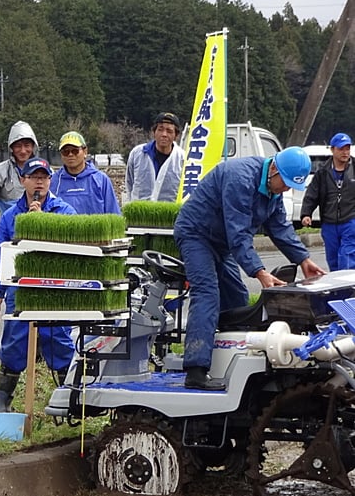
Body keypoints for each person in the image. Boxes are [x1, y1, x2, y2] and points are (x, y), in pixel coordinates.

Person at [174, 146, 325, 390]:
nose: (286, 189)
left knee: (238, 297)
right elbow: (239, 234)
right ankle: (196, 369)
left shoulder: (272, 189)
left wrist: (303, 259)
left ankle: (232, 358)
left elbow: (279, 226)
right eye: (285, 183)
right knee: (207, 293)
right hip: (196, 234)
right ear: (274, 168)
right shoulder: (241, 178)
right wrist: (259, 272)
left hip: (221, 241)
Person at [0, 158, 77, 413]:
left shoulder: (64, 211)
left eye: (44, 176)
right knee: (15, 342)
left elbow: (71, 252)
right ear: (23, 180)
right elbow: (1, 255)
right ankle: (2, 401)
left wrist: (42, 223)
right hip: (21, 289)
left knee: (58, 340)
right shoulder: (10, 217)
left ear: (50, 180)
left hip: (53, 288)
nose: (39, 181)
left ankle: (70, 399)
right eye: (34, 176)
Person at [300, 132, 355, 271]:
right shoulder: (322, 172)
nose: (345, 152)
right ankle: (339, 292)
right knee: (333, 260)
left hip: (350, 221)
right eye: (341, 148)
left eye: (347, 148)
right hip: (329, 223)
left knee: (347, 257)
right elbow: (312, 194)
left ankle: (349, 290)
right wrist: (306, 213)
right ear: (332, 149)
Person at [49, 131, 121, 214]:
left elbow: (113, 213)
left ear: (85, 152)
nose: (70, 155)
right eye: (65, 152)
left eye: (75, 151)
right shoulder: (53, 181)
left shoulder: (101, 180)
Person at [125, 112, 185, 202]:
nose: (164, 134)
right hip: (139, 214)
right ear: (154, 132)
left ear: (176, 135)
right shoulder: (137, 153)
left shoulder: (183, 159)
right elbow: (129, 184)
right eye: (160, 129)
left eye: (169, 131)